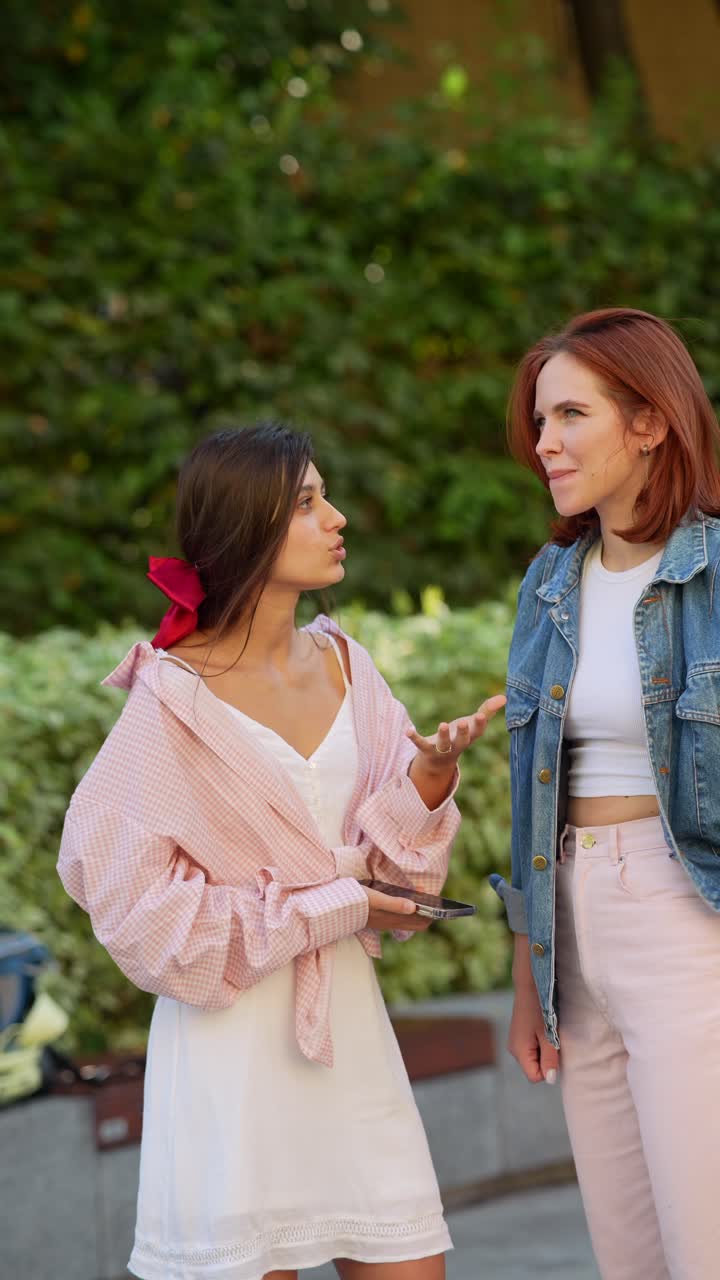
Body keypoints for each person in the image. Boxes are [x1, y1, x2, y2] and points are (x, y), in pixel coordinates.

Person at [57, 423, 505, 1280]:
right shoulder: (171, 702)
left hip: (349, 1027)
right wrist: (329, 906)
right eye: (307, 503)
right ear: (246, 526)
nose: (335, 518)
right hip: (230, 1054)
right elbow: (140, 918)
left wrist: (428, 783)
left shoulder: (347, 665)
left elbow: (398, 881)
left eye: (324, 495)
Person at [491, 307, 720, 1279]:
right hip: (573, 936)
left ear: (649, 421)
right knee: (628, 1256)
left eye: (571, 414)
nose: (544, 442)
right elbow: (531, 787)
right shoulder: (549, 581)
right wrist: (526, 972)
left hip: (688, 922)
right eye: (540, 421)